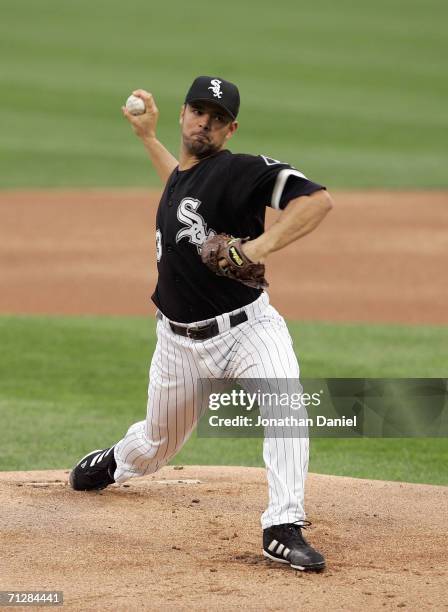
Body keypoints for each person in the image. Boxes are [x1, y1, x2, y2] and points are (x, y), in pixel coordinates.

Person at [69, 76, 333, 571]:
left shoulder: (242, 171)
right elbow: (179, 185)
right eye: (197, 110)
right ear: (183, 115)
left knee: (286, 402)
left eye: (216, 117)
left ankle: (282, 526)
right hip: (177, 343)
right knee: (155, 445)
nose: (204, 122)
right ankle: (116, 461)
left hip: (248, 329)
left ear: (230, 129)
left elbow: (316, 202)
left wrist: (257, 247)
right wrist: (148, 138)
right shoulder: (185, 177)